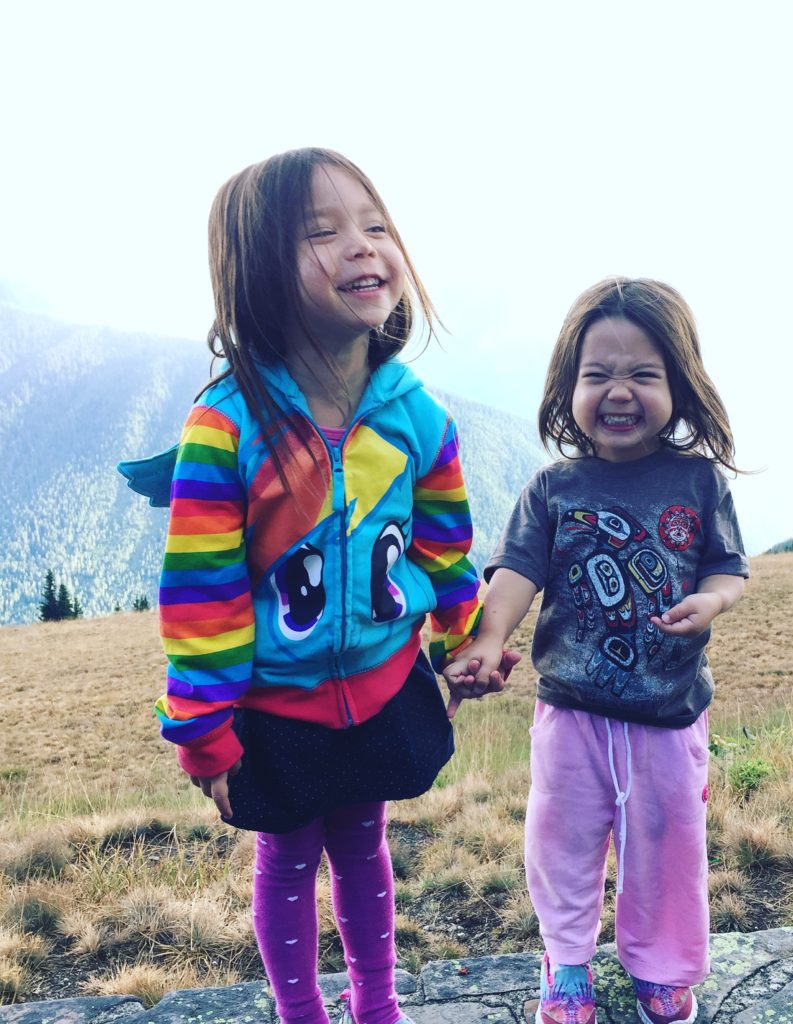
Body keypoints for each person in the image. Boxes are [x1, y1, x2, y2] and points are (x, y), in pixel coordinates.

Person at [120, 148, 514, 1024]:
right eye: (321, 233)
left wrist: (465, 639)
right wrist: (202, 733)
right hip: (276, 714)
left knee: (367, 848)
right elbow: (202, 599)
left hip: (380, 693)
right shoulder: (228, 427)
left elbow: (445, 548)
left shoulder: (417, 416)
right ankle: (302, 1013)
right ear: (259, 271)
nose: (362, 247)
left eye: (375, 227)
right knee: (288, 860)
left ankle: (377, 1006)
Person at [444, 278, 749, 1024]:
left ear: (680, 382)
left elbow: (728, 570)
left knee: (669, 850)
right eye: (597, 374)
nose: (619, 391)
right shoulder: (554, 488)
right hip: (572, 714)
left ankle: (663, 968)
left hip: (670, 716)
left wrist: (709, 600)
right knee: (562, 845)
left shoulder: (699, 481)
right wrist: (488, 639)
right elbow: (517, 575)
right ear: (567, 387)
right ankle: (566, 964)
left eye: (642, 374)